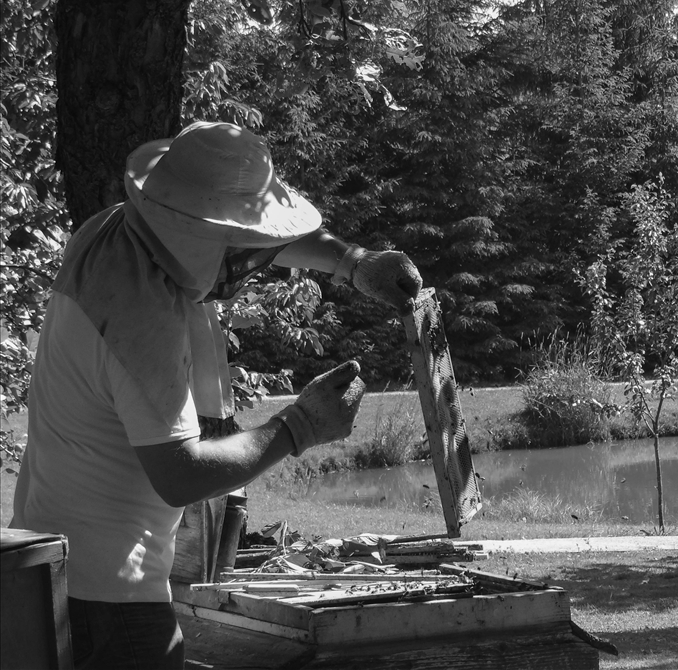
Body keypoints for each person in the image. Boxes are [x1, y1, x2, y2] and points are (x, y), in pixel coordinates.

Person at [10, 121, 422, 669]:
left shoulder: (118, 231)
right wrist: (300, 426)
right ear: (206, 238)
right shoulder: (143, 318)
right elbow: (180, 473)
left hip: (57, 569)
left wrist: (353, 262)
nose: (256, 266)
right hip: (112, 599)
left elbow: (246, 238)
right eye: (244, 252)